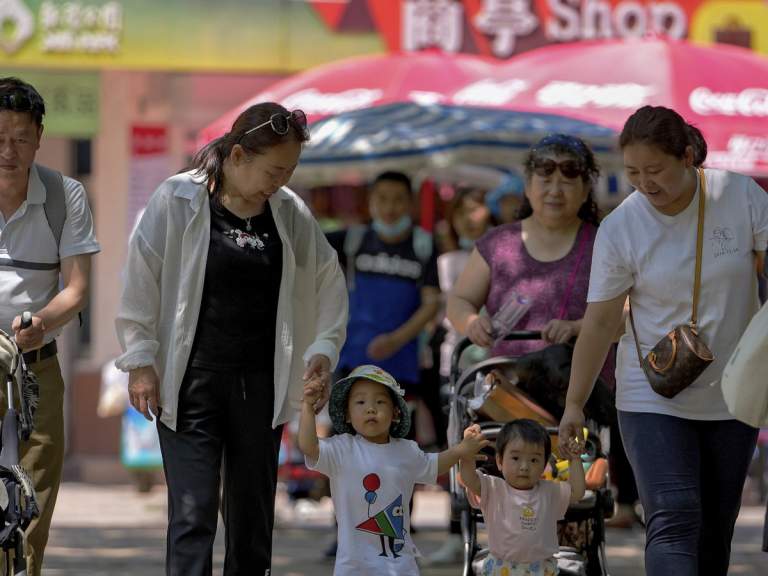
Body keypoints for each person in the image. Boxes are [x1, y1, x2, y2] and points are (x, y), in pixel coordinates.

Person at [115, 102, 348, 575]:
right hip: (190, 384)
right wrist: (140, 359)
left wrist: (324, 348)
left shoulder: (288, 212)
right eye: (274, 170)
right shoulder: (177, 199)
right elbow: (141, 279)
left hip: (260, 386)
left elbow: (328, 278)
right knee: (193, 513)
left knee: (251, 519)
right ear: (238, 155)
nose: (280, 181)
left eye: (290, 171)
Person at [559, 105, 768, 575]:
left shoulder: (738, 195)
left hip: (735, 393)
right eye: (632, 172)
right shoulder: (621, 227)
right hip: (652, 391)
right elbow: (599, 323)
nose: (643, 183)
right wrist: (575, 403)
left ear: (687, 156)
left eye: (654, 170)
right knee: (673, 517)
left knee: (715, 529)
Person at [0, 77, 100, 575]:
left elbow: (77, 288)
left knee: (33, 499)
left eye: (20, 138)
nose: (8, 151)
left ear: (39, 137)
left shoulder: (65, 195)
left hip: (35, 367)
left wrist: (40, 323)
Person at [298, 364, 489, 575]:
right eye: (360, 402)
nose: (371, 408)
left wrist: (461, 450)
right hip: (353, 566)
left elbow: (434, 465)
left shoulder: (406, 450)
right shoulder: (341, 449)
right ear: (348, 415)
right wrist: (307, 407)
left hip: (399, 565)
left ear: (395, 413)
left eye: (380, 402)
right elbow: (309, 446)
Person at [327, 171, 441, 439]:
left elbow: (431, 303)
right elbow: (304, 246)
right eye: (382, 198)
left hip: (403, 366)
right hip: (353, 361)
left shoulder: (423, 245)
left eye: (398, 199)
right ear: (370, 201)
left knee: (399, 442)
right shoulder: (353, 240)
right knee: (346, 442)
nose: (390, 207)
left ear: (411, 203)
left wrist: (395, 340)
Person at [459, 418, 586, 576]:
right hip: (501, 567)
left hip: (542, 569)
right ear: (499, 461)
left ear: (544, 465)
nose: (524, 467)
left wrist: (575, 459)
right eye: (515, 458)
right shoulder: (493, 488)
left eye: (534, 460)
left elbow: (577, 491)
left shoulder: (549, 491)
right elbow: (468, 478)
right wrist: (466, 453)